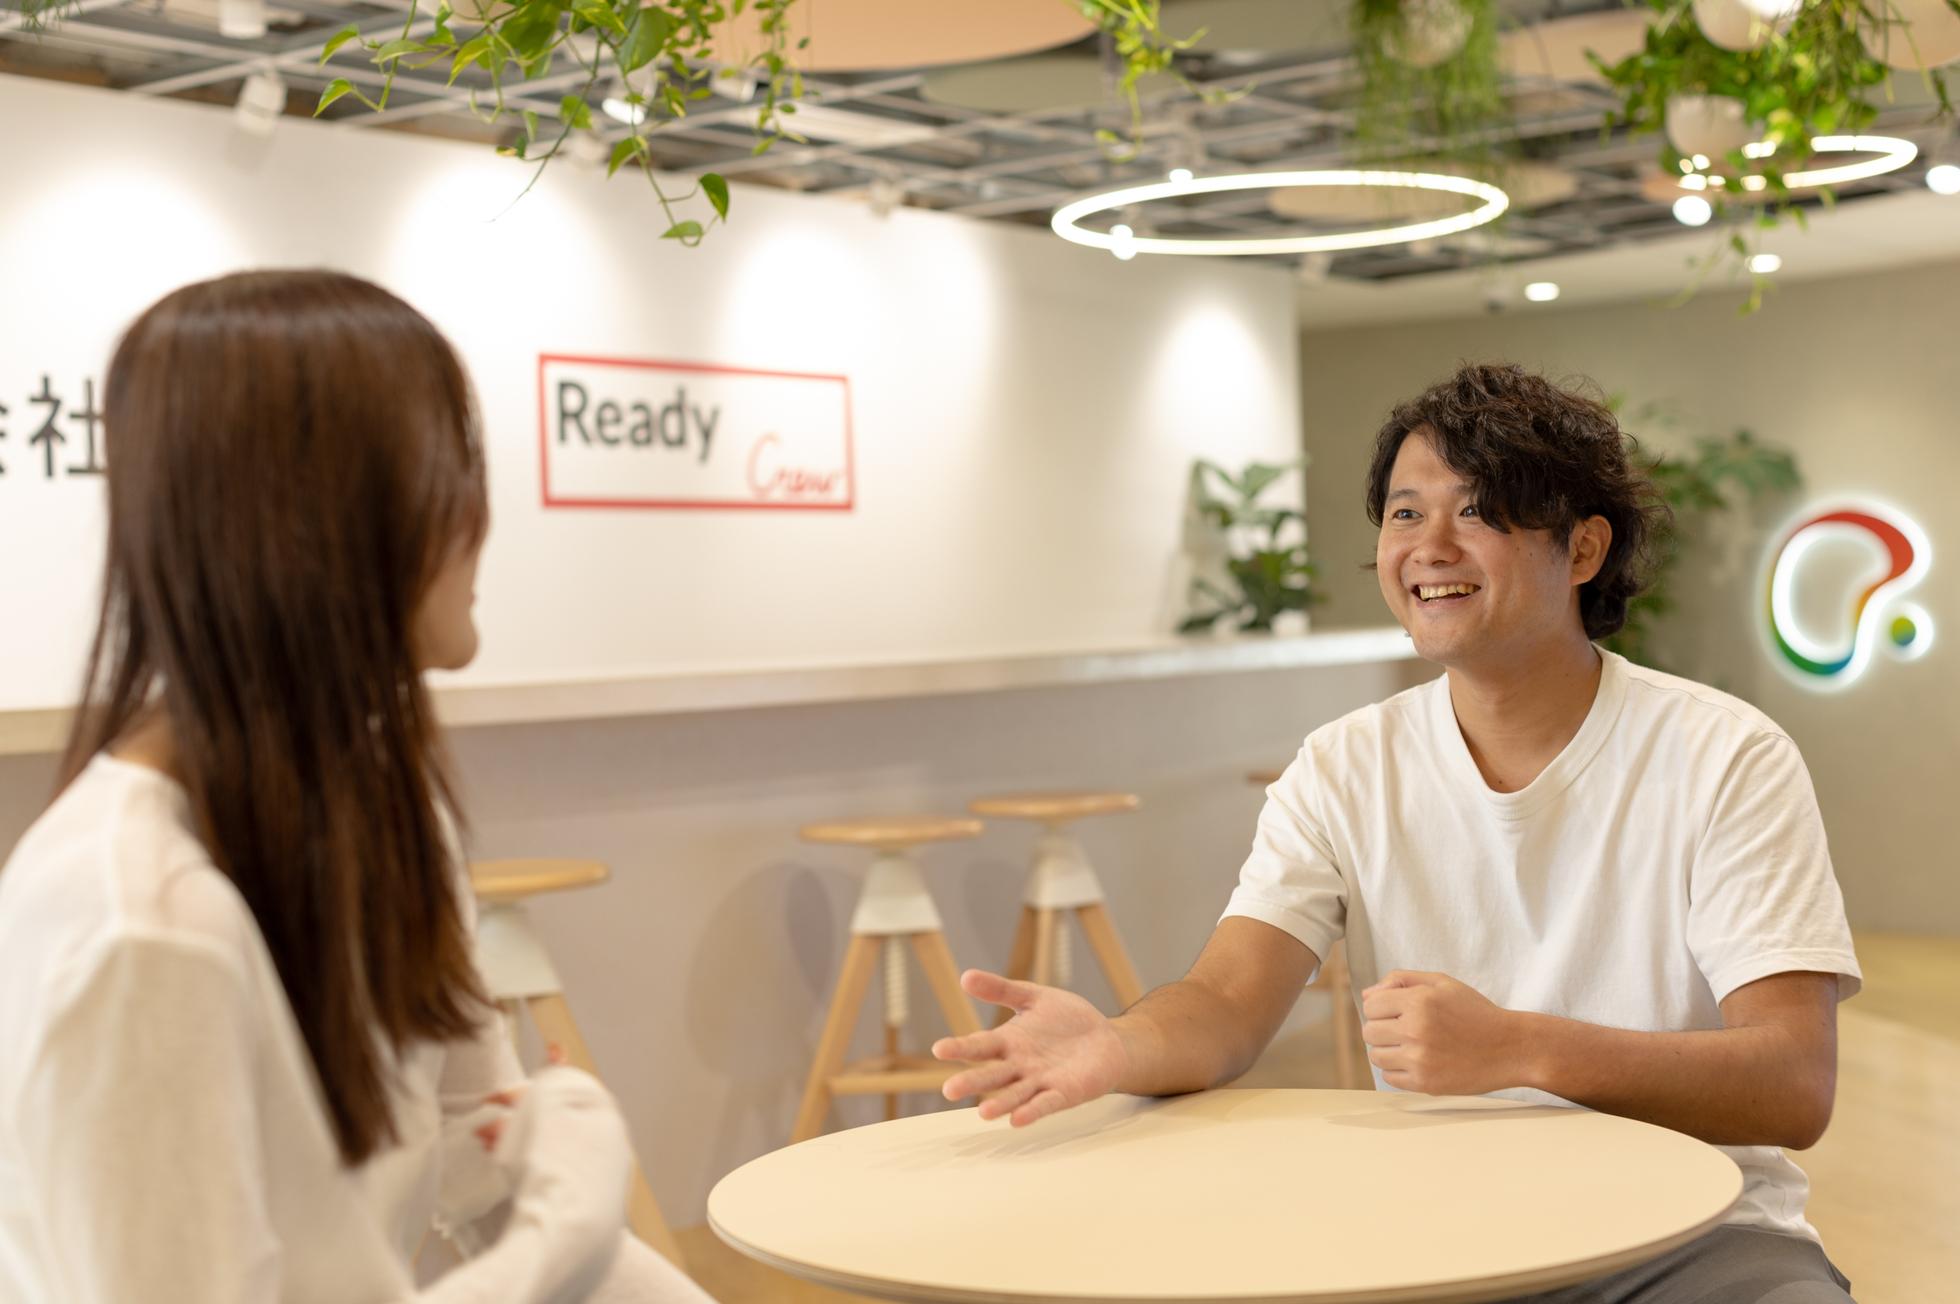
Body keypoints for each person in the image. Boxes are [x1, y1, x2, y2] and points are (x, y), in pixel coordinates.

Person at [934, 363, 1860, 1303]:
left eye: (1479, 511)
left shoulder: (1725, 755)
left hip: (1696, 1239)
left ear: (1583, 549)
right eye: (1406, 514)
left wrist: (1519, 1048)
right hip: (1438, 1233)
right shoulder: (1343, 766)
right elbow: (1226, 1000)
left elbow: (1791, 1083)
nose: (1430, 547)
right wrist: (1117, 1046)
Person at [0, 271, 712, 1303]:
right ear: (332, 520)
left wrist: (560, 1188)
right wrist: (562, 1220)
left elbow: (478, 1153)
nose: (483, 517)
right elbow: (541, 1202)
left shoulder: (380, 809)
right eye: (451, 469)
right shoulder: (146, 925)